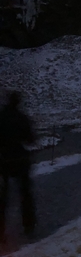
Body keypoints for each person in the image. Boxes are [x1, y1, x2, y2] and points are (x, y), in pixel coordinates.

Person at [0, 91, 37, 241]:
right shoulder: (22, 118)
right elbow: (30, 139)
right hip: (20, 159)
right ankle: (28, 224)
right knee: (25, 193)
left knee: (2, 196)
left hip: (2, 160)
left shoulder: (1, 117)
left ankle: (0, 228)